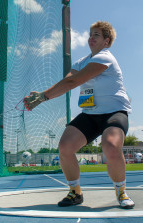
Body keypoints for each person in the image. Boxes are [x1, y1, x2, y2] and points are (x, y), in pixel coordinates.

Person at [23, 21, 134, 209]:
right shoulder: (81, 62)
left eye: (96, 35)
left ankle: (121, 192)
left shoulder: (105, 57)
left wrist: (43, 97)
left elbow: (74, 81)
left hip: (114, 112)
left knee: (110, 145)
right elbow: (68, 80)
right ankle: (75, 192)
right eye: (90, 34)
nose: (91, 37)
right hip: (90, 114)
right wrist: (43, 94)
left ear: (106, 41)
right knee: (65, 147)